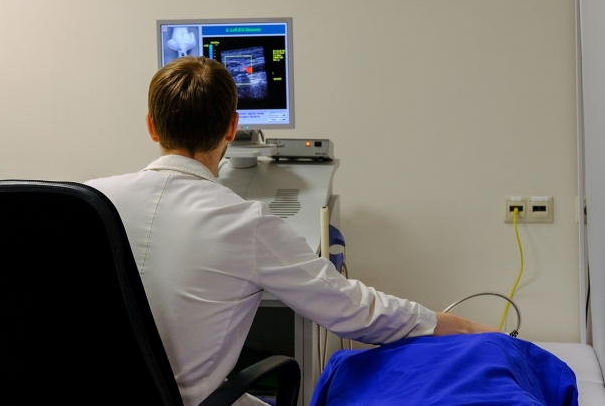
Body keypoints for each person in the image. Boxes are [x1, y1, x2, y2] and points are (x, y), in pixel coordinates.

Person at [84, 55, 498, 406]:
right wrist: (457, 326)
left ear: (151, 126)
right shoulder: (246, 223)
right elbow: (356, 311)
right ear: (231, 127)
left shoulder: (86, 202)